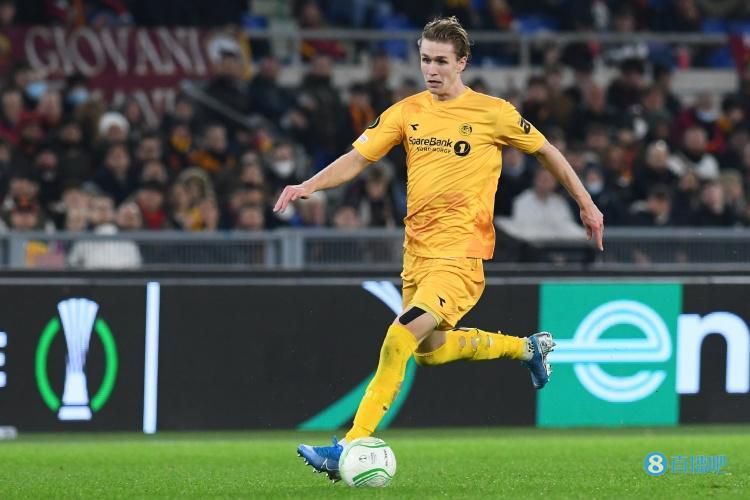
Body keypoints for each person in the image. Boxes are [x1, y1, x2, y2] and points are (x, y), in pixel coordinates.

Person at [274, 16, 604, 481]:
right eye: (425, 59)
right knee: (428, 351)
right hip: (417, 255)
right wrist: (309, 185)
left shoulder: (494, 113)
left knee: (399, 337)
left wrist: (586, 204)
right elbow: (357, 159)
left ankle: (349, 444)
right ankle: (527, 349)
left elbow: (548, 151)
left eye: (441, 61)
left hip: (461, 257)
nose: (431, 69)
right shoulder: (406, 111)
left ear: (462, 62)